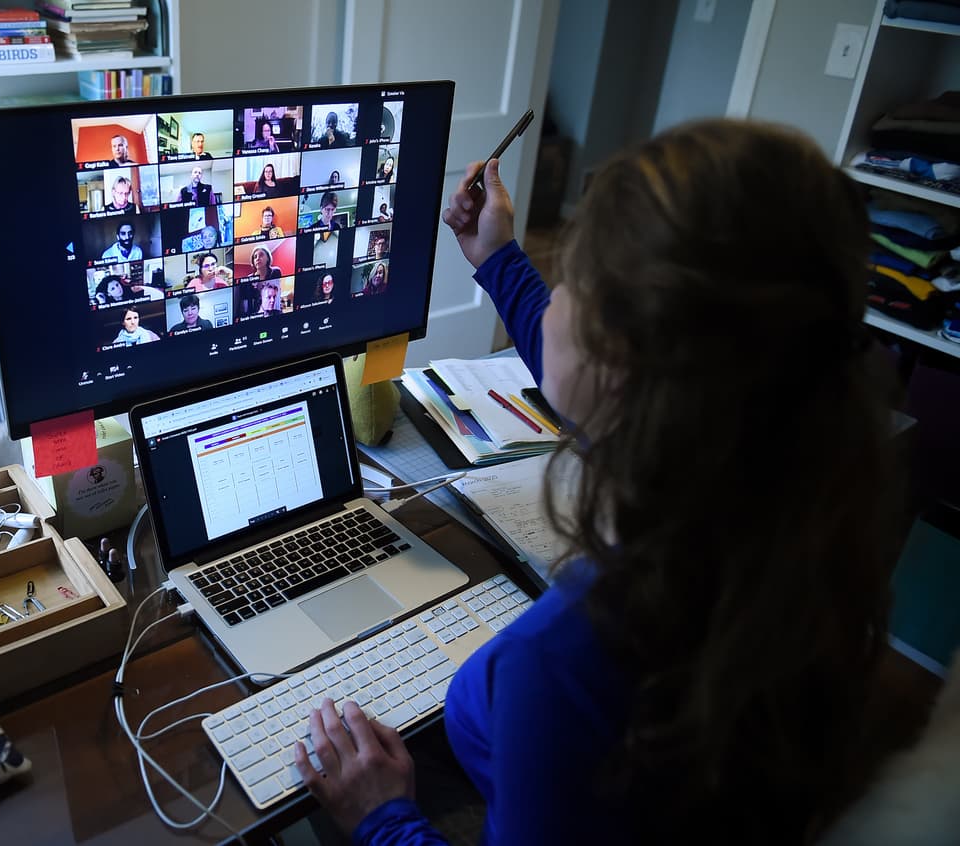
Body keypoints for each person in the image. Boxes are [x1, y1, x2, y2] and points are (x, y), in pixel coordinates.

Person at [293, 120, 900, 846]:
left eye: (573, 282)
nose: (555, 301)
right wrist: (497, 258)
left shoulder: (565, 666)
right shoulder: (788, 503)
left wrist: (383, 818)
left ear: (623, 365)